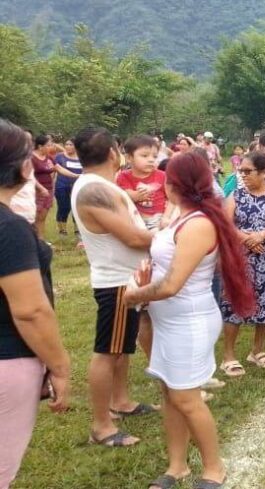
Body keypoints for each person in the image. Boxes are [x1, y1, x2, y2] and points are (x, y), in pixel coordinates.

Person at [124, 153, 253, 489]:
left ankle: (214, 469)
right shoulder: (180, 218)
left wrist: (133, 295)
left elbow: (172, 285)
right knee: (169, 392)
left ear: (173, 183)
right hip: (169, 320)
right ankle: (177, 465)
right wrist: (145, 281)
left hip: (189, 322)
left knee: (186, 398)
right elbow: (165, 270)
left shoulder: (197, 224)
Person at [70, 127, 157, 448]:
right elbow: (132, 237)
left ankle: (121, 401)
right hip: (116, 283)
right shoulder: (95, 190)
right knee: (107, 352)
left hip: (127, 279)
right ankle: (101, 426)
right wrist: (174, 233)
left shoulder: (101, 186)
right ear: (113, 153)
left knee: (121, 348)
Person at [0, 119, 71, 489]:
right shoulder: (8, 227)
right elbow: (30, 310)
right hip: (8, 359)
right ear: (22, 166)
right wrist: (59, 366)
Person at [219, 151, 265, 377]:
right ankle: (228, 355)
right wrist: (246, 239)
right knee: (234, 306)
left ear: (263, 172)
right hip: (241, 261)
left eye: (247, 171)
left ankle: (257, 350)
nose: (243, 175)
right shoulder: (236, 195)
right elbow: (226, 224)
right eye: (241, 171)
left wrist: (262, 235)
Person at [117, 136, 169, 231]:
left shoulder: (162, 176)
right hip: (134, 219)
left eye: (155, 156)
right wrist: (136, 195)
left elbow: (173, 200)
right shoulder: (124, 176)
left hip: (158, 219)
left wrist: (166, 217)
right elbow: (126, 195)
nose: (151, 160)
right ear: (129, 158)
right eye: (145, 156)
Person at [54, 139, 83, 236]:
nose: (68, 146)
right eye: (66, 144)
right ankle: (62, 230)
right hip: (62, 185)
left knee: (77, 207)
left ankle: (77, 230)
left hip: (78, 186)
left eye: (71, 144)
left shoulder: (82, 157)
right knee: (64, 207)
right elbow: (56, 169)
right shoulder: (59, 157)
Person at [30, 134, 56, 239]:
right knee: (35, 217)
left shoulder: (48, 157)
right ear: (40, 146)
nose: (51, 147)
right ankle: (32, 240)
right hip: (36, 191)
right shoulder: (31, 158)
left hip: (48, 189)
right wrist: (40, 188)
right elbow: (29, 176)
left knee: (42, 217)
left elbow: (57, 168)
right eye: (48, 145)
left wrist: (76, 175)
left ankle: (41, 240)